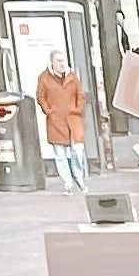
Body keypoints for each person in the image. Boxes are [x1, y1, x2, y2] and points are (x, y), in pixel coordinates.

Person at [35, 50, 87, 191]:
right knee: (60, 155)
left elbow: (80, 94)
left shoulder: (72, 76)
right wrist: (49, 111)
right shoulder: (44, 78)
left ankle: (78, 177)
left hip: (73, 119)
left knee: (77, 151)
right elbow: (41, 97)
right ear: (52, 62)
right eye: (59, 60)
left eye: (63, 60)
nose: (62, 63)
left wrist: (78, 109)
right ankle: (67, 183)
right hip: (56, 120)